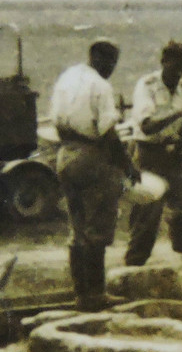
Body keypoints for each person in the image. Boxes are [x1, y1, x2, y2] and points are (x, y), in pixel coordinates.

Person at [50, 38, 138, 310]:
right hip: (90, 154)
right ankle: (97, 294)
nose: (112, 68)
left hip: (65, 154)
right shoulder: (100, 86)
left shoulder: (67, 77)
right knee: (97, 227)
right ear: (101, 58)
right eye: (111, 62)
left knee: (77, 230)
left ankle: (81, 294)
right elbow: (108, 132)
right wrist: (127, 166)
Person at [124, 40, 182, 266]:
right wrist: (179, 113)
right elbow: (147, 126)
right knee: (149, 211)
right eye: (175, 67)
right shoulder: (147, 86)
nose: (178, 73)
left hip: (173, 156)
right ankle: (134, 262)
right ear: (164, 62)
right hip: (149, 154)